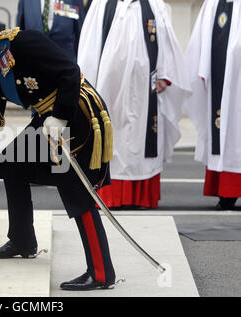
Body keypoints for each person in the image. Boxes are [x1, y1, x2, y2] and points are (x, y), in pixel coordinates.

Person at [0, 13, 116, 291]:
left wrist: (61, 117)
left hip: (76, 115)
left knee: (77, 191)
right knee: (10, 162)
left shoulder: (21, 43)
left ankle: (101, 273)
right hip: (47, 120)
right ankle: (22, 240)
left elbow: (70, 71)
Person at [78, 0, 191, 209]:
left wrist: (165, 75)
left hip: (145, 90)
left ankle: (139, 197)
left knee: (141, 140)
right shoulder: (102, 4)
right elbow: (89, 47)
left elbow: (166, 43)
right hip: (109, 90)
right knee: (112, 137)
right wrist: (87, 84)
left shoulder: (154, 6)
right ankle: (109, 195)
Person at [184, 0, 241, 210]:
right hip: (224, 83)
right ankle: (228, 193)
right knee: (226, 131)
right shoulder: (214, 4)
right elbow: (199, 43)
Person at [16, 0, 84, 60]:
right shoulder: (25, 1)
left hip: (66, 65)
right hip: (34, 65)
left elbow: (81, 34)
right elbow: (20, 35)